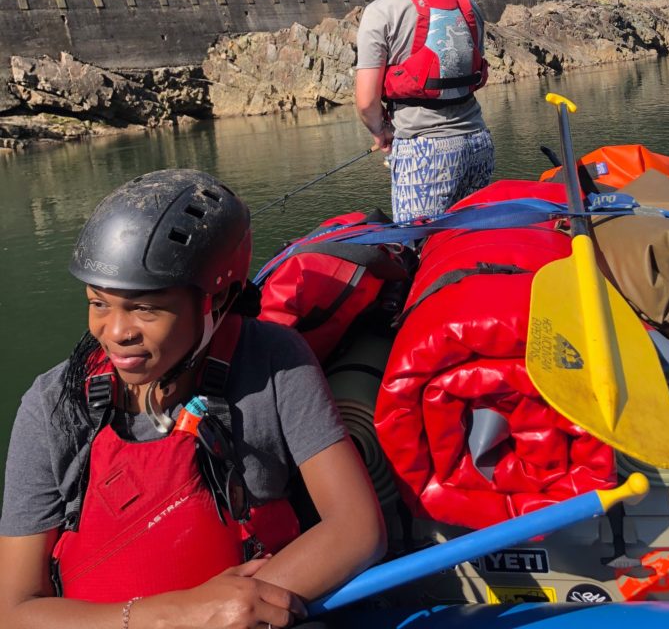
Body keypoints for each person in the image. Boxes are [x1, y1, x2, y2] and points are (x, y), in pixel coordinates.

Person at [0, 168, 385, 629]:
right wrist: (177, 617)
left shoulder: (273, 362)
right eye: (98, 302)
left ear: (219, 300)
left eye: (145, 308)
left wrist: (242, 608)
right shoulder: (52, 405)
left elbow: (356, 529)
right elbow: (15, 609)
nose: (117, 332)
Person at [355, 0, 495, 222]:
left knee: (419, 252)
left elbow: (366, 102)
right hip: (478, 143)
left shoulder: (381, 11)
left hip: (425, 154)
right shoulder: (467, 4)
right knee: (470, 248)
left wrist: (382, 132)